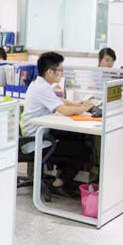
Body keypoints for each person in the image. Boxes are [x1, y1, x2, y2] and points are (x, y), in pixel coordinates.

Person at [21, 51, 94, 197]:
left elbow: (59, 100)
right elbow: (64, 110)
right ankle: (58, 184)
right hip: (36, 141)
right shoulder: (42, 88)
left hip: (37, 135)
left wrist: (77, 104)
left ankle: (63, 178)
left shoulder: (39, 84)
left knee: (75, 137)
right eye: (60, 70)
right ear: (50, 72)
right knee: (84, 150)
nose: (61, 73)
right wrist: (84, 108)